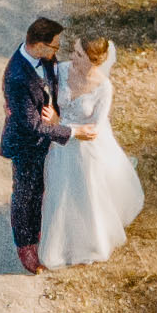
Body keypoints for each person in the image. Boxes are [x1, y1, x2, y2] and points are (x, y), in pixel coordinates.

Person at [36, 36, 146, 270]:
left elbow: (94, 130)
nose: (72, 57)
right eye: (74, 51)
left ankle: (90, 241)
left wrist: (60, 123)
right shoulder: (61, 71)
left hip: (85, 149)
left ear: (93, 61)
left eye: (78, 54)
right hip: (60, 144)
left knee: (85, 192)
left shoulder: (103, 88)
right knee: (60, 193)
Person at [2, 15, 72, 273]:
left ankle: (41, 231)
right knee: (25, 195)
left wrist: (57, 114)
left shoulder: (46, 58)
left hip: (45, 138)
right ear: (40, 45)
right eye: (55, 46)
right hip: (25, 145)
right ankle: (26, 246)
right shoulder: (16, 76)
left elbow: (54, 84)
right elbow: (32, 125)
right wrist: (69, 132)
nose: (57, 51)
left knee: (43, 189)